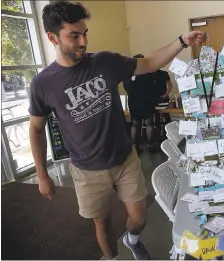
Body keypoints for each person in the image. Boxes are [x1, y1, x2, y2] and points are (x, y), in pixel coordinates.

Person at [28, 2, 206, 260]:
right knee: (102, 224)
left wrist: (182, 41)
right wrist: (42, 174)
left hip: (125, 159)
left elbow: (150, 62)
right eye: (74, 35)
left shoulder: (105, 62)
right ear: (52, 38)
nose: (83, 41)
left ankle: (133, 240)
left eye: (84, 33)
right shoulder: (43, 83)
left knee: (139, 216)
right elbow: (35, 128)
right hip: (87, 169)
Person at [123, 54, 159, 153]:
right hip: (145, 100)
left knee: (135, 125)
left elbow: (126, 88)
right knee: (149, 124)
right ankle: (151, 146)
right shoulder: (148, 73)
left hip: (133, 101)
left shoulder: (128, 74)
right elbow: (153, 87)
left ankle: (135, 147)